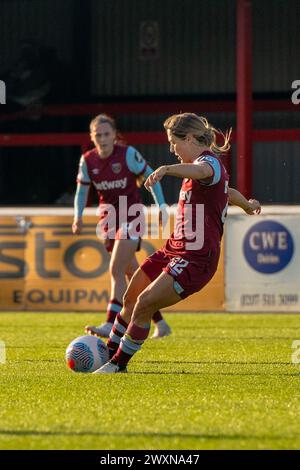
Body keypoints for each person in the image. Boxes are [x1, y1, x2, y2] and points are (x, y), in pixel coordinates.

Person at [93, 113, 261, 374]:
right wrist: (247, 204)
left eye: (174, 142)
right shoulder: (200, 168)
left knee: (145, 302)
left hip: (197, 258)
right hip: (174, 249)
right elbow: (226, 192)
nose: (172, 148)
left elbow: (206, 172)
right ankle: (107, 352)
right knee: (131, 296)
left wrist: (166, 169)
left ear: (191, 138)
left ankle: (117, 365)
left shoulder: (209, 163)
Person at [72, 113, 171, 339]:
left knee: (116, 268)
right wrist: (77, 216)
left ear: (115, 135)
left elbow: (151, 177)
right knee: (132, 274)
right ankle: (161, 323)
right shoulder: (87, 160)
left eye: (107, 134)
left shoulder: (128, 155)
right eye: (98, 135)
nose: (103, 139)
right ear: (92, 137)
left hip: (132, 215)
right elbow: (82, 191)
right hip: (108, 220)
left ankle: (110, 322)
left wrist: (162, 205)